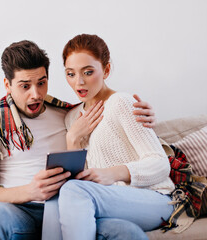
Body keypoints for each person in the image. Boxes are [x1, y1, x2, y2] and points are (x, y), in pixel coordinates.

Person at [0, 40, 157, 240]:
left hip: (72, 208)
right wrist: (29, 192)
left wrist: (143, 114)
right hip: (21, 212)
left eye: (41, 83)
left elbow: (112, 120)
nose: (36, 94)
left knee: (126, 233)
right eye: (25, 86)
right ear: (8, 85)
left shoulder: (69, 115)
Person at [42, 34, 175, 240]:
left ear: (106, 70)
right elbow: (83, 181)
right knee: (53, 201)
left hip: (154, 199)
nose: (79, 82)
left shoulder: (121, 103)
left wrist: (113, 173)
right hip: (108, 203)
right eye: (71, 74)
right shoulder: (71, 119)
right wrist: (73, 139)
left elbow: (160, 165)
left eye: (88, 72)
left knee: (75, 191)